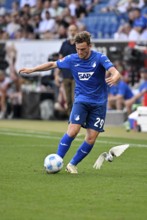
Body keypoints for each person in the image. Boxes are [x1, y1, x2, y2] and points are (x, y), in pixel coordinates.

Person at [19, 31, 121, 174]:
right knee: (73, 131)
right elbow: (52, 64)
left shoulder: (99, 58)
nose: (79, 52)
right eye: (77, 49)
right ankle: (57, 160)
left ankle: (72, 164)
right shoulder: (72, 59)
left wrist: (115, 76)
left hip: (99, 103)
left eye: (83, 49)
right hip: (81, 100)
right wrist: (32, 70)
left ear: (90, 46)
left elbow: (114, 71)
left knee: (91, 138)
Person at [54, 24, 78, 116]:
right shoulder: (64, 44)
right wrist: (56, 75)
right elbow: (60, 60)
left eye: (74, 30)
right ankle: (70, 118)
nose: (72, 32)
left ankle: (76, 118)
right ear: (68, 31)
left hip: (76, 75)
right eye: (71, 30)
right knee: (68, 100)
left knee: (74, 98)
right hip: (66, 75)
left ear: (77, 31)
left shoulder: (79, 44)